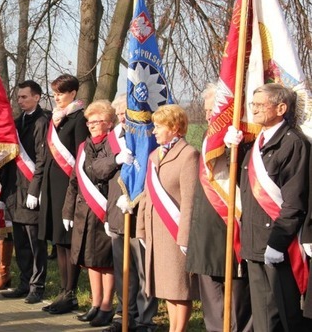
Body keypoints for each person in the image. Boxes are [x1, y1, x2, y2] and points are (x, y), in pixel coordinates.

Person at [224, 83, 312, 331]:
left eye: (260, 105)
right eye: (253, 105)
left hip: (280, 246)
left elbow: (294, 200)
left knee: (286, 317)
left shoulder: (293, 144)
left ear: (281, 108)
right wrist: (237, 149)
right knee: (263, 318)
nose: (254, 110)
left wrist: (277, 242)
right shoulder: (255, 144)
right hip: (254, 243)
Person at [186, 84, 252, 332]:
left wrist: (230, 147)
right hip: (206, 227)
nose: (205, 115)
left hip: (230, 226)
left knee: (237, 296)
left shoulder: (243, 138)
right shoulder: (208, 137)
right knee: (211, 294)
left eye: (210, 110)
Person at [136, 104, 199, 332]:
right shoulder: (155, 155)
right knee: (167, 288)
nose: (154, 131)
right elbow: (146, 196)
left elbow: (191, 200)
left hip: (175, 232)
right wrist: (141, 228)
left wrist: (185, 237)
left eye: (159, 126)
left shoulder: (189, 155)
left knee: (179, 288)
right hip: (156, 231)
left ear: (174, 128)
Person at [62, 100, 121, 327]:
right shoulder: (83, 146)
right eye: (90, 121)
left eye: (98, 121)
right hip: (82, 211)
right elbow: (75, 181)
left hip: (104, 209)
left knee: (105, 262)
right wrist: (67, 211)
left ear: (109, 123)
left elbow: (103, 172)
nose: (92, 125)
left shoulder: (113, 144)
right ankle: (95, 304)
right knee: (90, 261)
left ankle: (107, 305)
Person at [103, 95, 158, 332]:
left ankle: (144, 320)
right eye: (120, 114)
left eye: (127, 112)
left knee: (144, 270)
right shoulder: (114, 139)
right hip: (118, 212)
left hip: (140, 214)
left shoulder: (148, 139)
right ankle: (123, 315)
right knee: (123, 271)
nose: (123, 117)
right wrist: (115, 159)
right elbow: (97, 170)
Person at [38, 74, 89, 314]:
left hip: (68, 186)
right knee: (58, 240)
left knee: (69, 241)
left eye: (61, 92)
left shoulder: (79, 118)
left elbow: (80, 156)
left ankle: (71, 292)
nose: (56, 97)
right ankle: (62, 290)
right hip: (52, 186)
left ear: (73, 93)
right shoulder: (56, 118)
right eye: (55, 92)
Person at [2, 80, 49, 303]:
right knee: (20, 241)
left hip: (31, 190)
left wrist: (35, 189)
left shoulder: (42, 121)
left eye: (24, 97)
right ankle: (24, 282)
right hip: (15, 190)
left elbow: (42, 161)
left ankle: (37, 286)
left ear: (37, 97)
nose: (20, 101)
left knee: (35, 243)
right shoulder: (17, 122)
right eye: (18, 97)